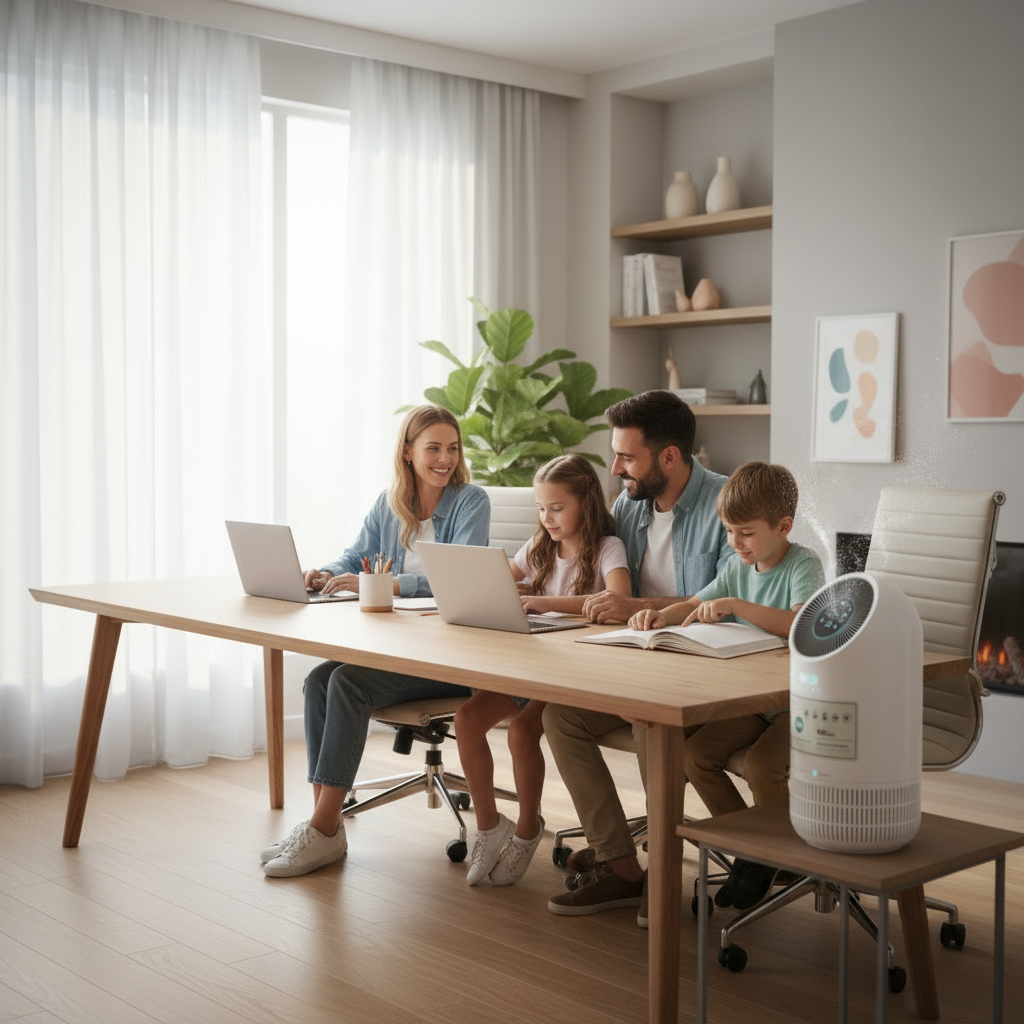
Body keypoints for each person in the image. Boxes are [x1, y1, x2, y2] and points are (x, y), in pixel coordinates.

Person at [261, 404, 490, 878]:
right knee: (319, 681)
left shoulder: (471, 502)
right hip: (401, 646)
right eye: (433, 448)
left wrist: (387, 586)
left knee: (347, 683)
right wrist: (327, 572)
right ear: (408, 452)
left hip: (446, 654)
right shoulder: (391, 503)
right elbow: (356, 557)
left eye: (452, 448)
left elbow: (457, 579)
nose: (445, 458)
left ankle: (323, 829)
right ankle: (323, 825)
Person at [542, 389, 732, 924]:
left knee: (652, 723)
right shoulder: (630, 504)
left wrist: (637, 605)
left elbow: (724, 604)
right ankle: (621, 867)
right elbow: (600, 572)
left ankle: (666, 876)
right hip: (635, 660)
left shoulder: (726, 506)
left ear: (668, 457)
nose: (617, 468)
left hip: (700, 669)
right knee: (562, 716)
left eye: (627, 457)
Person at [630, 460, 825, 910]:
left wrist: (736, 604)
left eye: (746, 533)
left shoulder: (803, 565)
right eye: (729, 531)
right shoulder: (740, 567)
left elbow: (800, 623)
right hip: (754, 702)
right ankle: (755, 850)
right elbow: (696, 603)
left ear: (783, 526)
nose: (735, 543)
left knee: (761, 767)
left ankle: (776, 851)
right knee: (695, 756)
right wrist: (661, 617)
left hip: (801, 704)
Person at [455, 454, 631, 887]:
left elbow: (619, 599)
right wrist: (500, 589)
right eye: (540, 508)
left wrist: (542, 601)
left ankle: (528, 829)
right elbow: (504, 580)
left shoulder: (609, 548)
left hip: (575, 674)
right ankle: (488, 825)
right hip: (531, 667)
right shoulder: (539, 548)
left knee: (520, 731)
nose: (546, 517)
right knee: (466, 719)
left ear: (585, 504)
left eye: (556, 507)